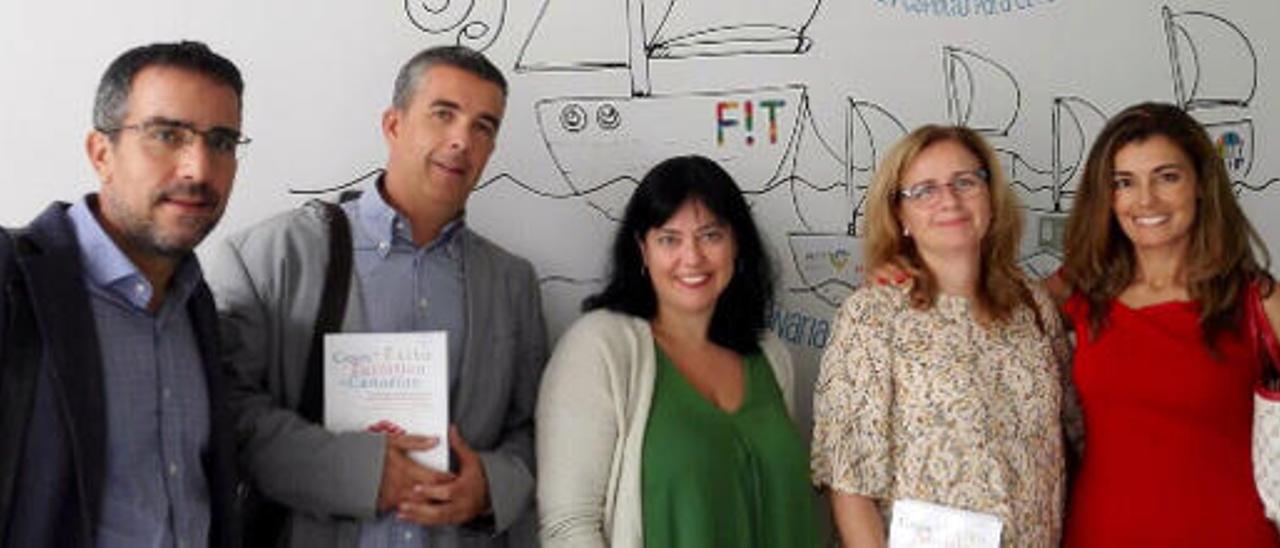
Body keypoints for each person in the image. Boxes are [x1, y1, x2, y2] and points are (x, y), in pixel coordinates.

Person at [205, 46, 546, 547]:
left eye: (483, 126)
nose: (462, 141)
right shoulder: (270, 258)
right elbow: (228, 412)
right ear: (393, 125)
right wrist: (355, 472)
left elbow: (535, 427)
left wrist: (492, 487)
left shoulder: (512, 282)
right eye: (444, 114)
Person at [0, 41, 246, 547]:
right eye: (166, 134)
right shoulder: (14, 281)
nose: (198, 168)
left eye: (221, 141)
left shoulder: (196, 303)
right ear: (101, 152)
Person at [536, 155, 820, 548]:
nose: (692, 258)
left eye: (710, 235)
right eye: (669, 239)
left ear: (736, 243)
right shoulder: (600, 348)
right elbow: (570, 526)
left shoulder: (771, 355)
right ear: (642, 250)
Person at [810, 125, 1068, 547]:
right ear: (900, 215)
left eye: (965, 182)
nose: (949, 200)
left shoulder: (1033, 306)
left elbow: (1070, 436)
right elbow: (850, 484)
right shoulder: (873, 317)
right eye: (924, 190)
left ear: (991, 196)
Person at [1055, 102, 1280, 546]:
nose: (1146, 201)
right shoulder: (1079, 296)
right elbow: (977, 301)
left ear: (1201, 183)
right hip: (1101, 535)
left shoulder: (1258, 302)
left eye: (1167, 176)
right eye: (1124, 182)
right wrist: (905, 273)